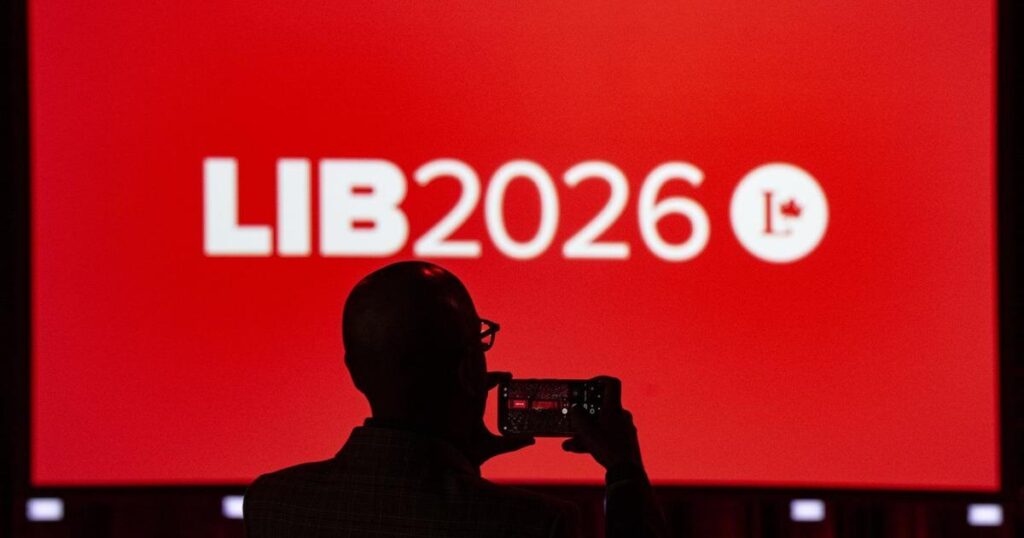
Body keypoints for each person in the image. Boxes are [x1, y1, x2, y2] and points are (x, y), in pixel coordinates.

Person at [244, 261, 666, 537]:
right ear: (468, 370)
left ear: (354, 372)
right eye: (480, 341)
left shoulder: (272, 504)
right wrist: (624, 470)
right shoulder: (534, 524)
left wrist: (460, 462)